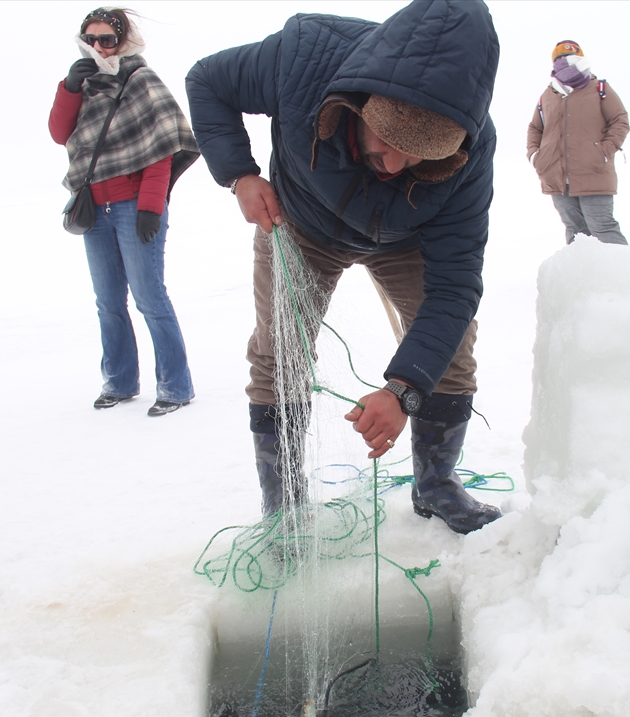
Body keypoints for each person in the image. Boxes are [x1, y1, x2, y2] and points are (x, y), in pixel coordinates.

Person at [185, 0, 503, 534]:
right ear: (358, 105)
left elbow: (455, 287)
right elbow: (207, 81)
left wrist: (404, 390)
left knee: (451, 348)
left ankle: (436, 485)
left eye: (419, 156)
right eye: (388, 142)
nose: (395, 165)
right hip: (300, 223)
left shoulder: (472, 149)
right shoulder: (303, 58)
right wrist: (240, 174)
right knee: (279, 352)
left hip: (405, 239)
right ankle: (285, 506)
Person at [50, 8, 201, 415]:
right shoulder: (82, 85)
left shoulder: (141, 79)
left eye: (107, 40)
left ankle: (176, 386)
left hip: (135, 206)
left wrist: (150, 208)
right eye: (90, 39)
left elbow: (162, 148)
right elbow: (59, 133)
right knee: (108, 302)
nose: (98, 47)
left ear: (122, 41)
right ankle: (118, 382)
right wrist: (69, 87)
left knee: (150, 297)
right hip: (94, 210)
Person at [526, 40, 630, 246]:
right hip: (556, 176)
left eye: (571, 57)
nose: (566, 61)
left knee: (602, 227)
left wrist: (603, 152)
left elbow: (620, 120)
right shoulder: (548, 94)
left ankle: (622, 267)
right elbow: (535, 128)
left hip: (593, 172)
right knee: (575, 231)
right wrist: (535, 156)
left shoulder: (599, 88)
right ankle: (582, 268)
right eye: (560, 58)